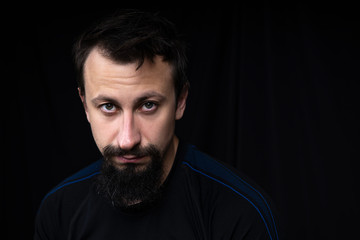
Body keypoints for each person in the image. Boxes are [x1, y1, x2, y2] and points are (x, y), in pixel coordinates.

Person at [34, 10, 280, 240]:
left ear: (180, 101)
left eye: (148, 105)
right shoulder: (58, 211)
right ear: (85, 106)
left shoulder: (241, 212)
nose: (128, 140)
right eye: (109, 107)